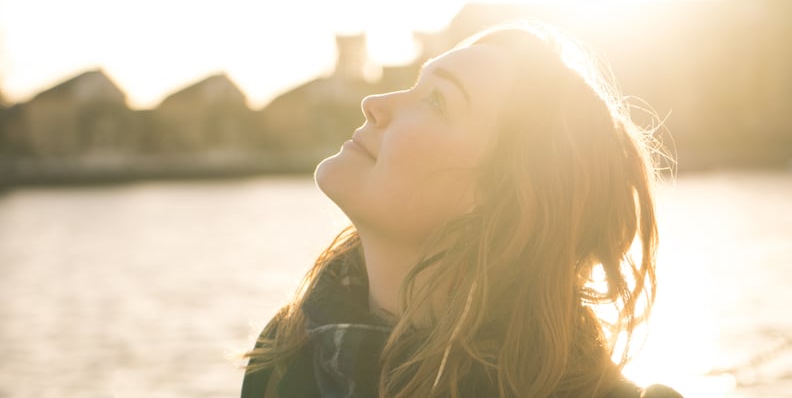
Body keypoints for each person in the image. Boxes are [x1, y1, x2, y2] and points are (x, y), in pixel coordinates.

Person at [241, 22, 682, 398]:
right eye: (416, 85)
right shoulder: (282, 361)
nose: (374, 104)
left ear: (505, 201)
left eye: (436, 100)